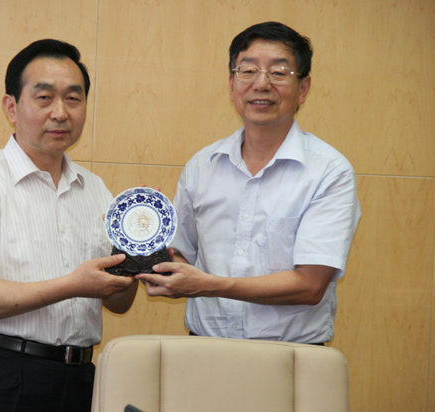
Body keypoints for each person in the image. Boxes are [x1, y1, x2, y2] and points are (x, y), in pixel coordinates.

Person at [0, 39, 138, 412]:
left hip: (80, 378)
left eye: (73, 99)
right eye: (44, 98)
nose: (60, 113)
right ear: (11, 107)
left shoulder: (96, 191)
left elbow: (117, 303)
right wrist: (73, 285)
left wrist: (137, 262)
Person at [136, 22, 361, 345]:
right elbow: (183, 256)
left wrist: (207, 284)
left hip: (291, 356)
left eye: (279, 73)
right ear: (232, 84)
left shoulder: (329, 171)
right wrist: (144, 238)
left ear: (304, 88)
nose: (261, 84)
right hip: (203, 349)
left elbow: (310, 286)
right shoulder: (202, 165)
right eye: (248, 71)